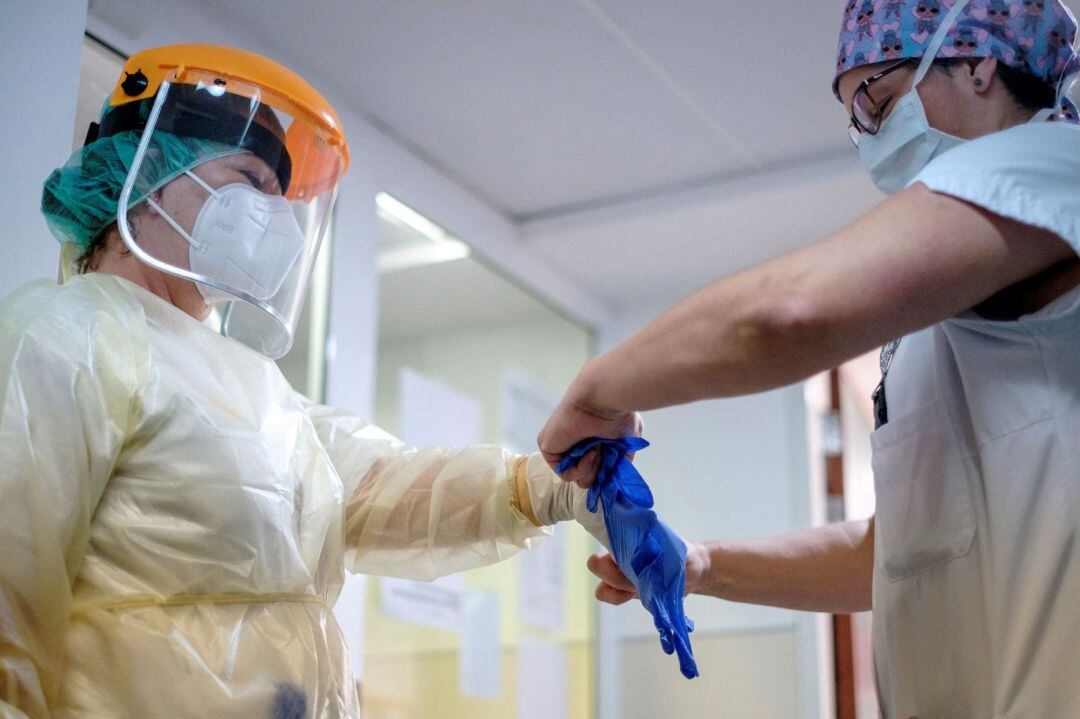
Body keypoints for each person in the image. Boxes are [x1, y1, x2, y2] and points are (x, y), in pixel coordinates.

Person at [0, 44, 607, 719]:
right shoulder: (67, 337)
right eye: (250, 179)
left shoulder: (250, 387)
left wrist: (556, 485)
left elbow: (385, 488)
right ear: (150, 172)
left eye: (280, 194)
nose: (274, 216)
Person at [538, 1, 1080, 716]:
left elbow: (787, 312)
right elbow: (901, 549)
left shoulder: (1055, 161)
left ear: (979, 62)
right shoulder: (941, 326)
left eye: (878, 101)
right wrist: (701, 564)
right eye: (856, 122)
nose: (869, 137)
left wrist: (597, 392)